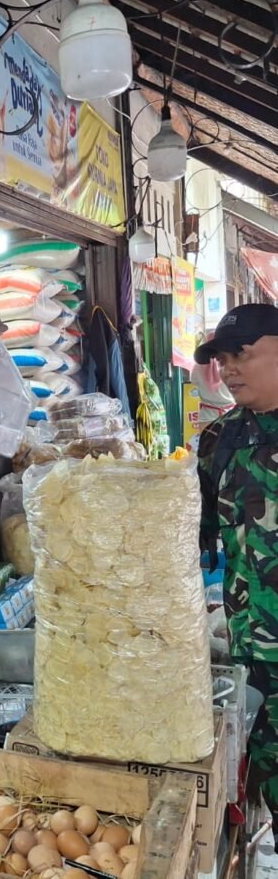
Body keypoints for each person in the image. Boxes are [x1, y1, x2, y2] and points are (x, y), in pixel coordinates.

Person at [196, 304, 278, 846]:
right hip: (254, 655)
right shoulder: (219, 439)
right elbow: (198, 533)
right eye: (222, 359)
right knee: (268, 777)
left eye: (241, 354)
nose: (228, 369)